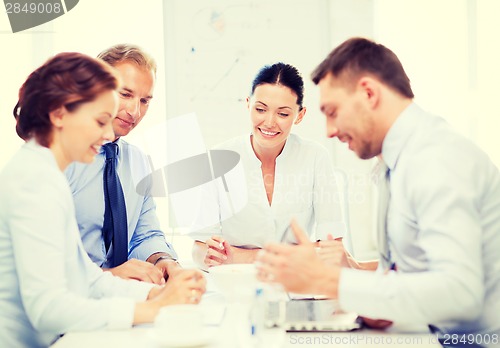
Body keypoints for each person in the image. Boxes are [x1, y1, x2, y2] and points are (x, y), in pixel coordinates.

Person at [256, 37, 500, 344]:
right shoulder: (394, 162)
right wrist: (353, 272)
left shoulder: (436, 159)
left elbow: (460, 293)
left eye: (332, 112)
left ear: (369, 93)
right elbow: (407, 276)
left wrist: (329, 280)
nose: (329, 131)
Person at [0, 52, 206, 348]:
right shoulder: (34, 181)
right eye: (100, 121)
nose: (109, 133)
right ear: (59, 114)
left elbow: (84, 278)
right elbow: (48, 309)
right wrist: (149, 309)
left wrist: (155, 295)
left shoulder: (46, 174)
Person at [191, 62, 346, 269]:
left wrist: (238, 255)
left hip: (296, 282)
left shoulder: (315, 157)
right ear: (248, 104)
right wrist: (300, 253)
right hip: (236, 282)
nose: (270, 122)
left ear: (300, 115)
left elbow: (331, 250)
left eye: (283, 114)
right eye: (261, 109)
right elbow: (200, 249)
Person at [65, 44, 179, 285]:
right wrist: (108, 277)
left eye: (145, 100)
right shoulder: (62, 157)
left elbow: (144, 235)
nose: (135, 111)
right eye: (125, 94)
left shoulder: (137, 161)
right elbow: (42, 260)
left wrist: (163, 261)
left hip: (117, 302)